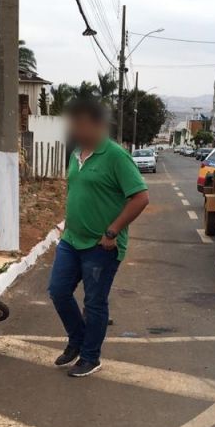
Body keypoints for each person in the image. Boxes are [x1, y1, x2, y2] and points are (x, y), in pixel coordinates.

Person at [48, 98, 150, 378]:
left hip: (101, 245)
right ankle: (78, 340)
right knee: (58, 291)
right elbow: (75, 191)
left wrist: (112, 231)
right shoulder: (76, 153)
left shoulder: (116, 156)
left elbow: (140, 197)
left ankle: (90, 357)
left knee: (94, 302)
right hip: (72, 239)